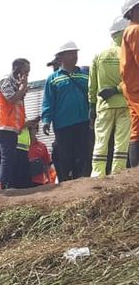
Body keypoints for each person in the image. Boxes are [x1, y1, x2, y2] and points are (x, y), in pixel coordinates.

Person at [41, 41, 92, 181]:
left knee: (83, 152)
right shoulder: (53, 79)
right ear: (61, 57)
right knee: (65, 154)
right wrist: (46, 120)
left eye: (75, 53)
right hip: (63, 125)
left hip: (83, 121)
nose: (74, 56)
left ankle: (82, 179)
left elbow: (92, 95)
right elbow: (48, 101)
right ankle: (65, 182)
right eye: (71, 54)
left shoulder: (85, 74)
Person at [90, 15, 133, 176]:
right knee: (121, 142)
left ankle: (97, 174)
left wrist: (91, 106)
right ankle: (117, 174)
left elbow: (92, 85)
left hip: (103, 106)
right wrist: (117, 89)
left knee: (100, 141)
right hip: (124, 105)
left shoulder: (99, 56)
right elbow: (132, 81)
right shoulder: (128, 54)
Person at [0, 58, 30, 189]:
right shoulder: (6, 81)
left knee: (0, 156)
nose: (27, 75)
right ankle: (5, 185)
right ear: (16, 69)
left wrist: (22, 89)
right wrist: (23, 87)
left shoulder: (15, 84)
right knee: (7, 157)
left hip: (10, 125)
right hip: (3, 125)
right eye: (25, 72)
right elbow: (12, 99)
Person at [118, 0, 139, 167]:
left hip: (132, 86)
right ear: (131, 12)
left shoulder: (129, 31)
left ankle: (135, 170)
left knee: (136, 128)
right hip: (137, 86)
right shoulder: (135, 30)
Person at [15, 120, 54, 187]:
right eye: (28, 129)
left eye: (33, 129)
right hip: (21, 180)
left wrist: (48, 179)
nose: (30, 131)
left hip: (38, 181)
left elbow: (46, 164)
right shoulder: (19, 147)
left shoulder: (42, 146)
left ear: (37, 130)